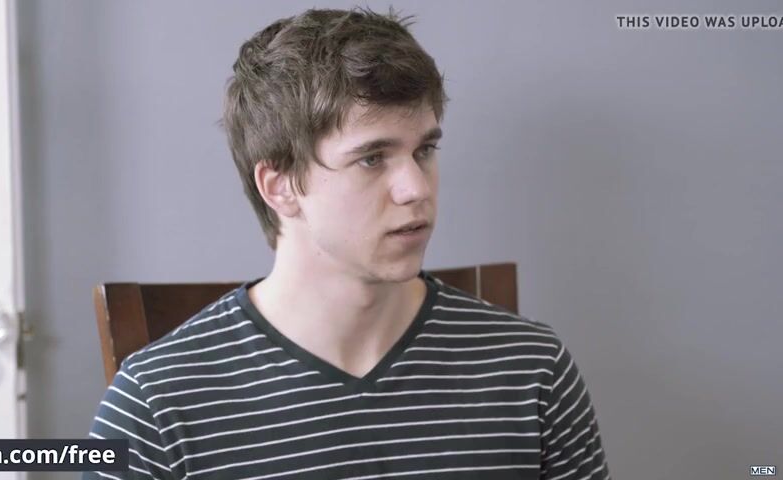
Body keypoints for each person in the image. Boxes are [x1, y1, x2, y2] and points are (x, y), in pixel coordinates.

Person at [86, 7, 611, 479]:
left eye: (424, 150)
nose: (416, 188)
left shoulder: (531, 369)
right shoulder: (157, 405)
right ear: (280, 186)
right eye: (371, 158)